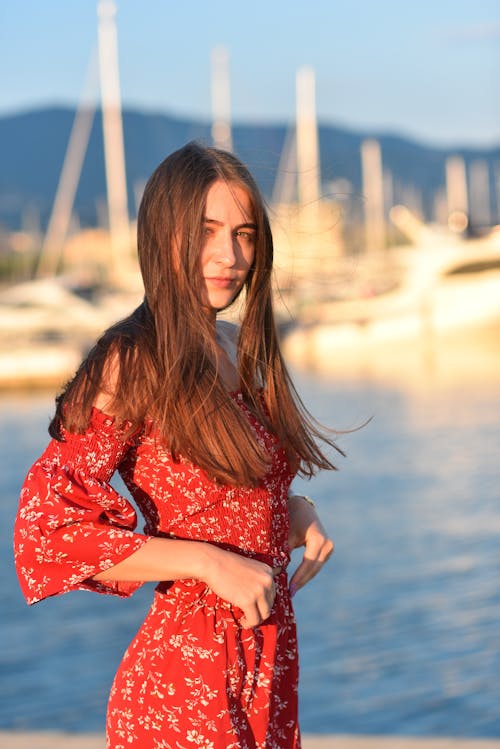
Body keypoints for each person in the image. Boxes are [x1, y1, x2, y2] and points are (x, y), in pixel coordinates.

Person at [14, 142, 341, 749]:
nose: (229, 255)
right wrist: (207, 562)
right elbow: (45, 532)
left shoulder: (238, 346)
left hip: (266, 658)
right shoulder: (131, 361)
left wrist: (290, 512)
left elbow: (236, 487)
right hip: (186, 681)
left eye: (244, 234)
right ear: (163, 235)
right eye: (206, 230)